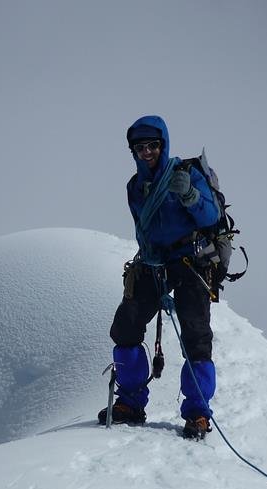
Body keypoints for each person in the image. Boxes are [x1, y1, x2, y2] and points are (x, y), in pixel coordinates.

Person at [98, 115, 220, 439]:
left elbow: (211, 216)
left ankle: (198, 413)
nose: (147, 152)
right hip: (153, 265)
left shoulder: (186, 174)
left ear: (163, 145)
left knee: (196, 339)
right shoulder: (135, 187)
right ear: (134, 151)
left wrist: (191, 196)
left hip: (190, 263)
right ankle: (130, 403)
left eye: (153, 145)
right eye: (140, 147)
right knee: (125, 328)